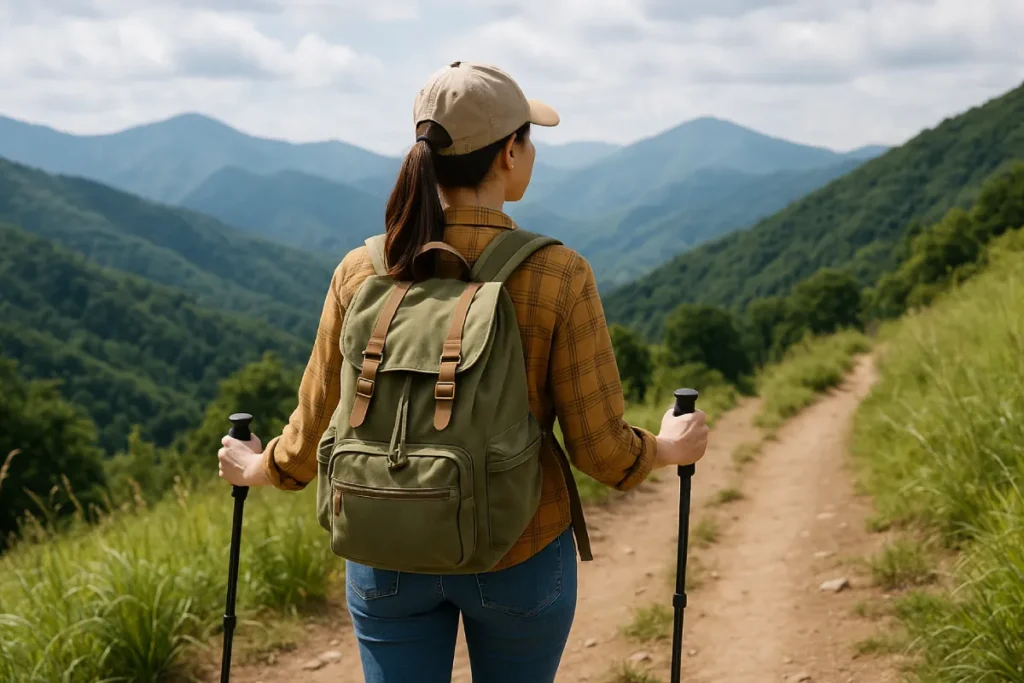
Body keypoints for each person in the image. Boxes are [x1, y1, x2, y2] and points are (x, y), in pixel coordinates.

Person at [217, 61, 710, 683]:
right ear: (509, 153)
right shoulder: (558, 274)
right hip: (519, 549)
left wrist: (259, 468)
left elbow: (314, 425)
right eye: (528, 138)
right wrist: (668, 447)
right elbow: (600, 451)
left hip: (384, 548)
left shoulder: (362, 271)